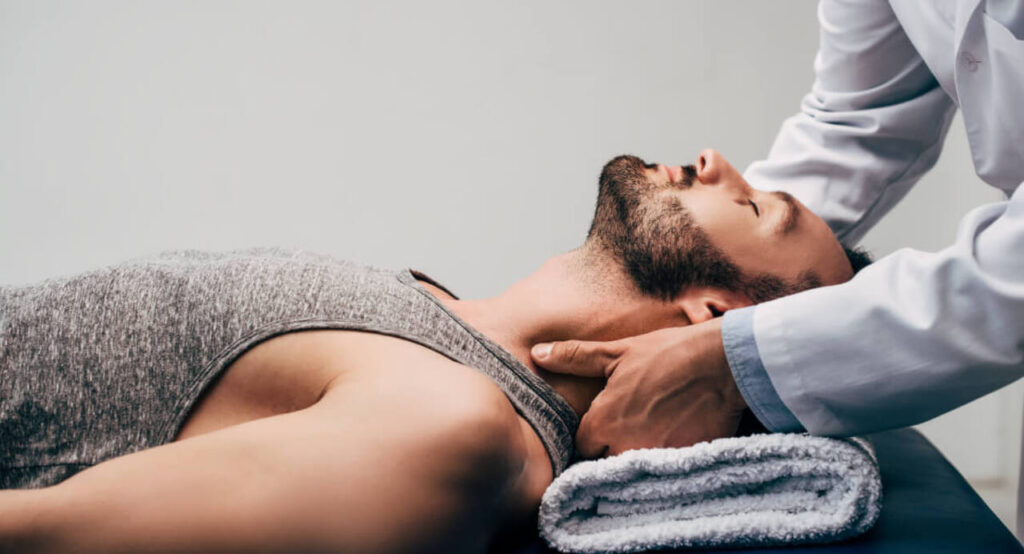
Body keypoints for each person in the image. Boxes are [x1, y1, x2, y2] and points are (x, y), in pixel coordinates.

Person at [0, 152, 864, 553]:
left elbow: (38, 535)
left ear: (713, 318)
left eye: (757, 210)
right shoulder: (445, 327)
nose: (716, 162)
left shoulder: (453, 431)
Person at [529, 0, 1024, 539]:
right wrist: (708, 291)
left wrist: (736, 356)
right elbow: (856, 124)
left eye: (756, 205)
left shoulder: (476, 432)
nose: (711, 158)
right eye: (758, 202)